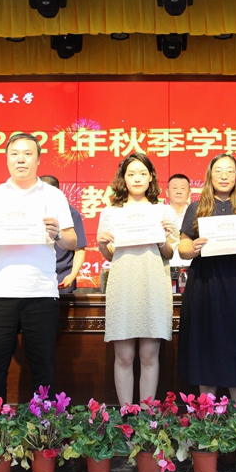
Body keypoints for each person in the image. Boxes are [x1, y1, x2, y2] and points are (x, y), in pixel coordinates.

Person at [0, 133, 77, 403]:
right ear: (6, 159)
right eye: (15, 154)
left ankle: (44, 424)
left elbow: (72, 240)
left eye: (28, 154)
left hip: (41, 292)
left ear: (38, 160)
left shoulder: (53, 195)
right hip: (0, 292)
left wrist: (57, 233)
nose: (21, 159)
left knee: (43, 368)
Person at [178, 153, 236, 402]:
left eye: (230, 171)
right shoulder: (197, 207)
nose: (224, 176)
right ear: (210, 176)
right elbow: (183, 249)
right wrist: (194, 247)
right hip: (206, 283)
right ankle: (207, 415)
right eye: (218, 171)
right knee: (207, 342)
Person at [96, 153, 177, 406]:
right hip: (123, 285)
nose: (137, 178)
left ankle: (146, 417)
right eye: (131, 174)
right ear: (123, 178)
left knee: (149, 355)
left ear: (151, 177)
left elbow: (169, 253)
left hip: (153, 284)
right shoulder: (111, 213)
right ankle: (126, 414)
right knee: (124, 356)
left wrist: (163, 239)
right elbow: (111, 253)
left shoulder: (163, 211)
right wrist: (102, 245)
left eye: (142, 173)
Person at [40, 175, 87, 293]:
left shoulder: (71, 213)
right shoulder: (29, 211)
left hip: (62, 277)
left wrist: (72, 275)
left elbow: (79, 249)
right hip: (37, 275)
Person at [165, 173, 192, 271]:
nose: (179, 192)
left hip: (191, 268)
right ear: (167, 192)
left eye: (183, 188)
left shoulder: (196, 215)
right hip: (166, 268)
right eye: (175, 188)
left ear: (189, 193)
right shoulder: (160, 215)